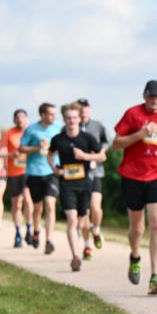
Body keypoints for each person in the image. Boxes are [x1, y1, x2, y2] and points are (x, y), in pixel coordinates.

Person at [112, 80, 157, 295]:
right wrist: (140, 135)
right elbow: (116, 144)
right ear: (144, 96)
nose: (154, 100)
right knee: (137, 228)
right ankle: (135, 256)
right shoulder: (133, 114)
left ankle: (155, 276)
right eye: (151, 96)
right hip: (133, 176)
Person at [49, 103, 106, 271]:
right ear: (64, 119)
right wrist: (54, 168)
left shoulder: (87, 138)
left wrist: (85, 156)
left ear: (79, 119)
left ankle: (90, 236)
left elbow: (102, 157)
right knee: (72, 219)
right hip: (67, 184)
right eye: (68, 118)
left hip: (85, 184)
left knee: (82, 221)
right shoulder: (58, 139)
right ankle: (75, 256)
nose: (71, 121)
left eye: (74, 117)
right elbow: (50, 154)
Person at [20, 103, 62, 253]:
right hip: (34, 172)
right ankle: (36, 231)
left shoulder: (59, 127)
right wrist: (38, 148)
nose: (54, 117)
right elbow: (21, 148)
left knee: (50, 204)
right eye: (51, 114)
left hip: (52, 171)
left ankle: (49, 240)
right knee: (37, 208)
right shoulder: (31, 129)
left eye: (55, 114)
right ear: (43, 115)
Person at [78, 98, 109, 260]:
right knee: (83, 213)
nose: (83, 110)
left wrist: (98, 154)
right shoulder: (71, 126)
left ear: (89, 109)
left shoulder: (98, 125)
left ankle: (96, 229)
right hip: (78, 174)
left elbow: (105, 143)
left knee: (96, 207)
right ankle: (87, 246)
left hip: (95, 171)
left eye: (86, 107)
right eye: (80, 108)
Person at [3, 109, 34, 247]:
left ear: (27, 119)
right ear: (14, 120)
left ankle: (29, 229)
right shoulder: (9, 133)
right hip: (13, 173)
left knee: (28, 200)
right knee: (17, 204)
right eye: (18, 117)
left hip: (29, 171)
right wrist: (10, 155)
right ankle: (17, 233)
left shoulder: (32, 132)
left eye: (23, 117)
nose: (20, 119)